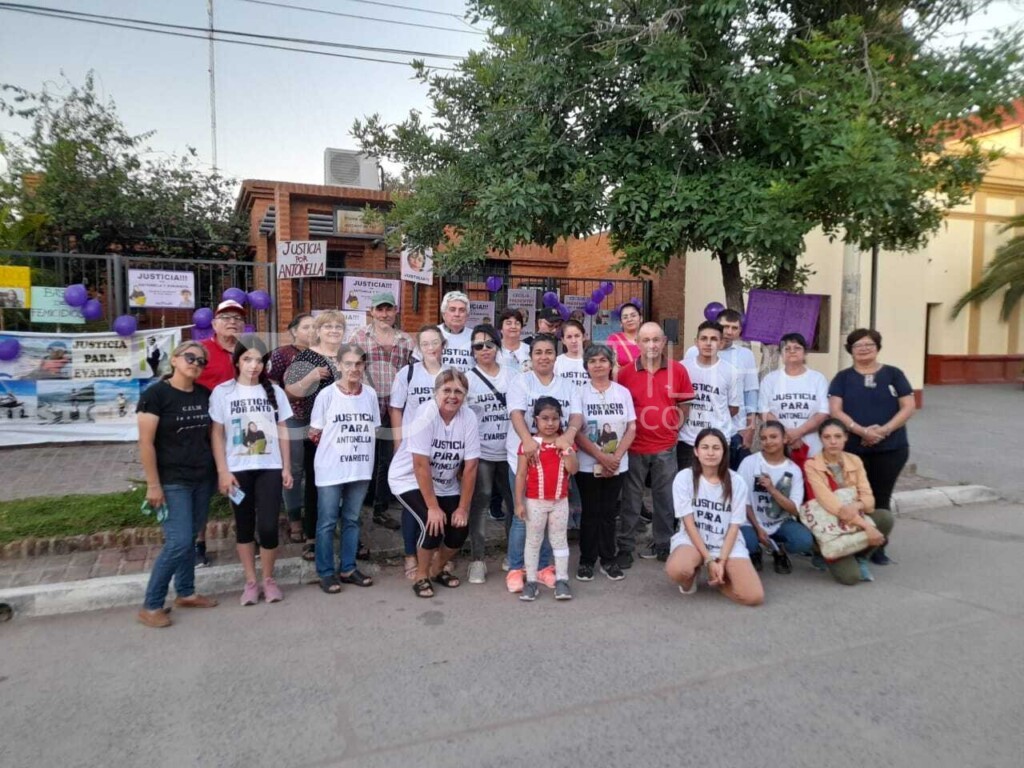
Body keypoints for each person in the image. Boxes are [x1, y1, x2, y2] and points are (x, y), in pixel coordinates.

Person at [136, 341, 219, 628]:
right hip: (172, 480)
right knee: (179, 541)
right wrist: (153, 484)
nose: (195, 363)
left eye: (201, 361)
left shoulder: (203, 394)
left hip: (202, 477)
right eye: (190, 357)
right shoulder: (155, 395)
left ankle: (185, 592)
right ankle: (152, 604)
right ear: (174, 359)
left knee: (191, 536)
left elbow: (213, 436)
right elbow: (146, 443)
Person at [209, 335, 293, 606]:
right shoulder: (223, 392)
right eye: (247, 359)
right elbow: (217, 434)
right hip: (237, 470)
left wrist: (286, 467)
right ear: (237, 361)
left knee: (268, 527)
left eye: (259, 360)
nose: (253, 365)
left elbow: (283, 432)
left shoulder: (275, 392)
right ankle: (250, 582)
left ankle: (268, 579)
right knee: (244, 527)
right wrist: (223, 471)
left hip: (269, 467)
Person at [388, 369, 481, 598]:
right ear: (435, 392)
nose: (452, 396)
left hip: (445, 482)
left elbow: (471, 467)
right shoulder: (425, 414)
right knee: (432, 524)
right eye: (446, 390)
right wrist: (432, 507)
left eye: (458, 391)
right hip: (408, 478)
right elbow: (420, 464)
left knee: (459, 529)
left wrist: (462, 507)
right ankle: (421, 576)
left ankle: (438, 569)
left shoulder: (468, 417)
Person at [828, 329, 915, 565]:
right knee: (853, 498)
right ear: (850, 350)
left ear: (877, 347)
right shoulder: (843, 378)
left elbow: (908, 406)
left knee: (880, 498)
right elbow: (835, 410)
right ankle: (854, 544)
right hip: (853, 449)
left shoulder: (894, 374)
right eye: (858, 345)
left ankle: (877, 547)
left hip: (891, 449)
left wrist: (883, 431)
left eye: (869, 344)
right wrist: (861, 431)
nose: (864, 348)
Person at [504, 334, 584, 592]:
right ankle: (517, 568)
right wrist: (527, 440)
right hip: (525, 456)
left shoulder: (567, 385)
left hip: (555, 457)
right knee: (523, 517)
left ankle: (545, 568)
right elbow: (516, 413)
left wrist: (568, 437)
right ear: (531, 356)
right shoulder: (521, 381)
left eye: (549, 352)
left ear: (555, 355)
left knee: (551, 515)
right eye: (538, 352)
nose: (543, 357)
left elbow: (576, 415)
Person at [616, 322, 695, 565]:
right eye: (646, 340)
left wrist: (673, 427)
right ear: (638, 343)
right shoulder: (625, 373)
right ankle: (625, 548)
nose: (651, 345)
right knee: (631, 500)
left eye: (656, 340)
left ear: (663, 343)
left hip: (665, 447)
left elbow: (684, 405)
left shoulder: (678, 370)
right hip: (635, 447)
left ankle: (664, 544)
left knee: (665, 499)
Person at [308, 344, 380, 594]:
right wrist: (337, 450)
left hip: (360, 468)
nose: (353, 369)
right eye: (348, 363)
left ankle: (348, 568)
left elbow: (374, 428)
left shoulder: (370, 394)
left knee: (351, 519)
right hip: (331, 469)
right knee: (327, 521)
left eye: (358, 364)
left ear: (364, 367)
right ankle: (326, 572)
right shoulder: (327, 395)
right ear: (338, 365)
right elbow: (314, 432)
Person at [665, 428, 764, 606]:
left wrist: (721, 560)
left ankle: (719, 577)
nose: (710, 452)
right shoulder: (684, 478)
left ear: (724, 451)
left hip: (726, 544)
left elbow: (734, 527)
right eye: (705, 447)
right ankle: (693, 575)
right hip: (693, 541)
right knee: (677, 569)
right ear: (696, 451)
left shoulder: (737, 482)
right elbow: (688, 524)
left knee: (753, 596)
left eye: (716, 448)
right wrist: (709, 559)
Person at [284, 311, 346, 563]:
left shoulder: (348, 354)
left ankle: (348, 534)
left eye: (338, 326)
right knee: (315, 484)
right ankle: (312, 537)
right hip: (317, 431)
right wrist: (311, 376)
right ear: (318, 331)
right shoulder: (307, 357)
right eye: (328, 326)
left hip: (345, 431)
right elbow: (290, 391)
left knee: (347, 482)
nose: (333, 330)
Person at [350, 292, 414, 532]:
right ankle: (364, 500)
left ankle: (381, 507)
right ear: (372, 312)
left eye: (388, 309)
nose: (384, 314)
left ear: (395, 310)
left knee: (388, 457)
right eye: (380, 309)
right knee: (366, 455)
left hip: (395, 406)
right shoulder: (359, 337)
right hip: (366, 405)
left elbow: (411, 372)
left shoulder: (406, 340)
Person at [804, 418, 894, 584]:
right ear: (821, 439)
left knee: (885, 517)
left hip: (853, 518)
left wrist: (856, 505)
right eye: (827, 437)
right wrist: (867, 527)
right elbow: (831, 504)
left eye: (838, 436)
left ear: (846, 437)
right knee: (850, 578)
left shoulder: (855, 461)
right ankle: (820, 552)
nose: (833, 442)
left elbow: (869, 500)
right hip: (830, 524)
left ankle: (860, 557)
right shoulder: (812, 465)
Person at [574, 344, 636, 581]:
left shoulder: (622, 392)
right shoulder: (578, 392)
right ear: (586, 366)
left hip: (617, 463)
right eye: (592, 361)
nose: (598, 365)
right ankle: (586, 560)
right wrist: (601, 457)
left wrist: (616, 457)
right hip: (588, 464)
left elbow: (631, 427)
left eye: (603, 360)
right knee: (590, 512)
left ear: (611, 364)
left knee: (609, 512)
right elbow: (576, 431)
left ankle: (608, 559)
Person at [391, 325, 447, 579]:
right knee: (413, 505)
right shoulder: (408, 373)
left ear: (443, 345)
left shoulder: (451, 375)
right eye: (425, 343)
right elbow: (396, 409)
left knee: (437, 501)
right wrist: (398, 443)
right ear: (418, 348)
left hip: (442, 450)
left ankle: (433, 552)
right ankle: (410, 554)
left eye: (435, 342)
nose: (431, 347)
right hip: (413, 448)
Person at [193, 298, 247, 566]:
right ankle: (198, 542)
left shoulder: (249, 352)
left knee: (238, 484)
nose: (232, 322)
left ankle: (246, 535)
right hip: (204, 431)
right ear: (214, 324)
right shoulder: (201, 350)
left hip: (239, 432)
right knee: (202, 488)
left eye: (237, 318)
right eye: (226, 318)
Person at [465, 324, 517, 585]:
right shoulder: (467, 378)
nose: (484, 349)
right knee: (480, 505)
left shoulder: (513, 375)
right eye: (478, 345)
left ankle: (513, 554)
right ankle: (478, 560)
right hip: (482, 453)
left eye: (489, 344)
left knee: (514, 506)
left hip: (510, 453)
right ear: (472, 350)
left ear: (497, 346)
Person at [515, 397, 579, 601]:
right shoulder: (530, 444)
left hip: (560, 501)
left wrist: (567, 449)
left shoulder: (565, 443)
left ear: (561, 419)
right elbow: (520, 475)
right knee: (533, 541)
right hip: (535, 502)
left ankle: (562, 580)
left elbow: (573, 469)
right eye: (544, 418)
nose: (550, 423)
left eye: (555, 418)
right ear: (536, 420)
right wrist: (518, 503)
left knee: (559, 540)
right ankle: (531, 581)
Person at [685, 309, 759, 469]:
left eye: (734, 328)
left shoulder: (745, 355)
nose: (729, 332)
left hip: (733, 429)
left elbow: (751, 392)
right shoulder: (693, 352)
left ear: (740, 331)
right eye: (725, 326)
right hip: (695, 429)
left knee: (727, 477)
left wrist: (750, 428)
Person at [737, 421, 811, 574]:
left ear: (784, 439)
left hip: (779, 522)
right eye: (763, 438)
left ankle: (779, 549)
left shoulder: (793, 470)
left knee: (804, 541)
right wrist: (758, 528)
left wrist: (772, 489)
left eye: (773, 437)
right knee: (746, 542)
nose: (768, 441)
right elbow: (743, 502)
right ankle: (754, 551)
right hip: (751, 522)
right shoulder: (749, 462)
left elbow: (794, 509)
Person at [269, 312, 315, 543]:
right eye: (306, 327)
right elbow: (271, 384)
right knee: (294, 470)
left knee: (315, 470)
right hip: (293, 418)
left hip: (318, 419)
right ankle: (295, 519)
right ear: (294, 331)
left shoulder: (322, 353)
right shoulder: (282, 354)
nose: (311, 331)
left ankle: (313, 519)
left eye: (314, 327)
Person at [759, 332, 830, 468]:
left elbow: (823, 412)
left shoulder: (818, 379)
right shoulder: (770, 380)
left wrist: (799, 432)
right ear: (781, 353)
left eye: (797, 348)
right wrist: (786, 435)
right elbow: (764, 412)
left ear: (805, 353)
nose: (792, 351)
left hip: (812, 447)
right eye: (787, 348)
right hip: (779, 445)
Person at [678, 321, 741, 470]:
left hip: (717, 441)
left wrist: (713, 420)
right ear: (696, 342)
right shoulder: (682, 368)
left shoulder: (730, 371)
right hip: (687, 440)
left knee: (717, 488)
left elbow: (733, 408)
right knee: (688, 487)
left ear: (720, 343)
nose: (708, 343)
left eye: (713, 339)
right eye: (704, 338)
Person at [439, 290, 473, 370]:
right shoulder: (431, 334)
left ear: (467, 316)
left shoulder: (475, 336)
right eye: (452, 309)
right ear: (444, 314)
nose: (457, 314)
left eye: (462, 310)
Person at [554, 319, 588, 389]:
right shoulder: (556, 362)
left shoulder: (592, 361)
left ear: (584, 337)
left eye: (577, 336)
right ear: (563, 340)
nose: (573, 341)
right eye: (569, 337)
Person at [606, 301, 642, 367]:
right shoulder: (614, 339)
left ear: (641, 318)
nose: (629, 319)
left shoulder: (648, 338)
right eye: (625, 317)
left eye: (633, 315)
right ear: (621, 323)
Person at [498, 307, 532, 373]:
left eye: (517, 323)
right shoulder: (493, 350)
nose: (513, 326)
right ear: (501, 328)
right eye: (508, 323)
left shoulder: (529, 350)